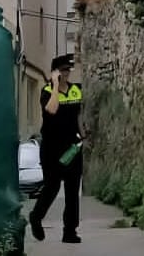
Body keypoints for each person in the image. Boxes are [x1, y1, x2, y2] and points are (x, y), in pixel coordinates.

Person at [29, 54, 84, 244]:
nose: (66, 74)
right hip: (52, 148)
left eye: (68, 70)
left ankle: (70, 231)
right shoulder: (46, 92)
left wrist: (83, 134)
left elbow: (77, 115)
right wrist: (54, 86)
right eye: (62, 71)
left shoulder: (76, 90)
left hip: (72, 148)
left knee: (72, 190)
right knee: (52, 187)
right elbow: (51, 109)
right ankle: (36, 217)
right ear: (54, 72)